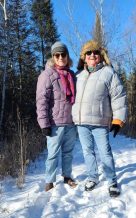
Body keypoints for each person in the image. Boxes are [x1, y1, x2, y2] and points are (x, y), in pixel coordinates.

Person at [72, 40, 127, 197]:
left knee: (105, 153)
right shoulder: (78, 75)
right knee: (87, 151)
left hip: (99, 122)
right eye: (88, 53)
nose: (92, 55)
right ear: (84, 57)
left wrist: (118, 120)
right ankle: (92, 177)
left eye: (95, 52)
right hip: (81, 122)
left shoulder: (108, 73)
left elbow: (119, 96)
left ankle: (112, 181)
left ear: (100, 55)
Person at [36, 41, 77, 191]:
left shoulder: (72, 75)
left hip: (70, 122)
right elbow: (41, 101)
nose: (60, 57)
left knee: (68, 152)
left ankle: (67, 176)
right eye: (57, 55)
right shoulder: (47, 75)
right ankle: (49, 181)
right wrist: (44, 123)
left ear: (67, 56)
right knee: (52, 153)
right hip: (54, 123)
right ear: (53, 57)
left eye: (63, 54)